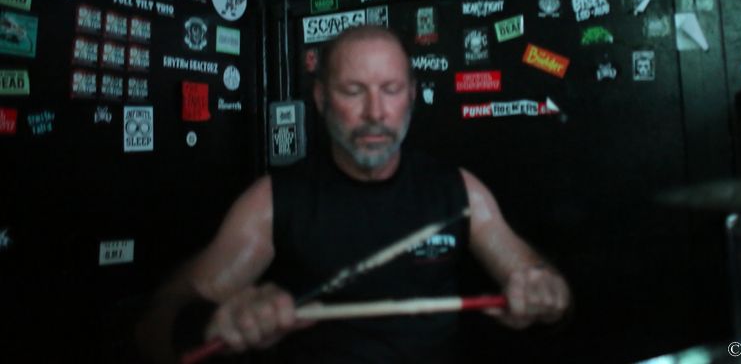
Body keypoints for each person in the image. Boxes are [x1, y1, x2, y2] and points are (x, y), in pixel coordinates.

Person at [136, 25, 571, 363]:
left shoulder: (459, 191)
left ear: (411, 96)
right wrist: (214, 324)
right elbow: (153, 330)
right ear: (322, 98)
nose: (375, 113)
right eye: (353, 90)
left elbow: (543, 286)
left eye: (390, 90)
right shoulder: (272, 201)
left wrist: (547, 294)